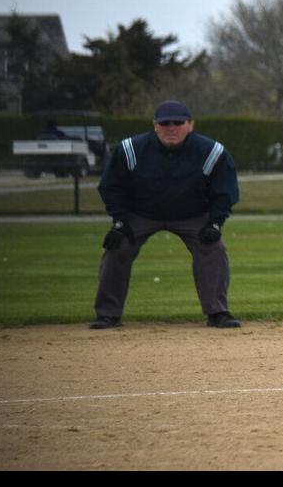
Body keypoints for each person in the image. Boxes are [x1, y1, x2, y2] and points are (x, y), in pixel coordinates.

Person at [90, 100, 241, 330]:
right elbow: (111, 187)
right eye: (165, 123)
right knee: (117, 247)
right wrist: (119, 221)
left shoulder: (212, 152)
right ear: (155, 126)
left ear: (190, 125)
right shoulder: (130, 149)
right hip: (141, 213)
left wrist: (215, 223)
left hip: (192, 214)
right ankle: (107, 314)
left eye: (178, 123)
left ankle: (217, 312)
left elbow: (225, 191)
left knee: (213, 248)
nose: (171, 128)